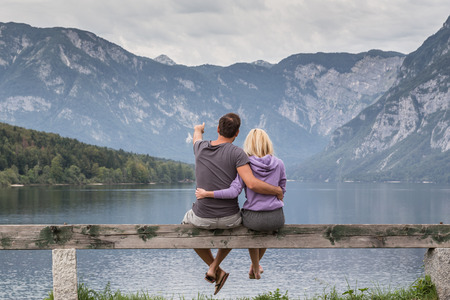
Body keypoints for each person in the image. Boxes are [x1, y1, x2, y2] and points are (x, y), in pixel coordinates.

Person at [182, 113, 283, 295]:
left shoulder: (200, 147)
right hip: (230, 218)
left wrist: (198, 129)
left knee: (186, 224)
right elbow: (250, 183)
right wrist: (276, 191)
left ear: (218, 129)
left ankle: (215, 269)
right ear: (236, 133)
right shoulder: (238, 154)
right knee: (235, 226)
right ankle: (216, 267)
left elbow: (196, 138)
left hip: (202, 217)